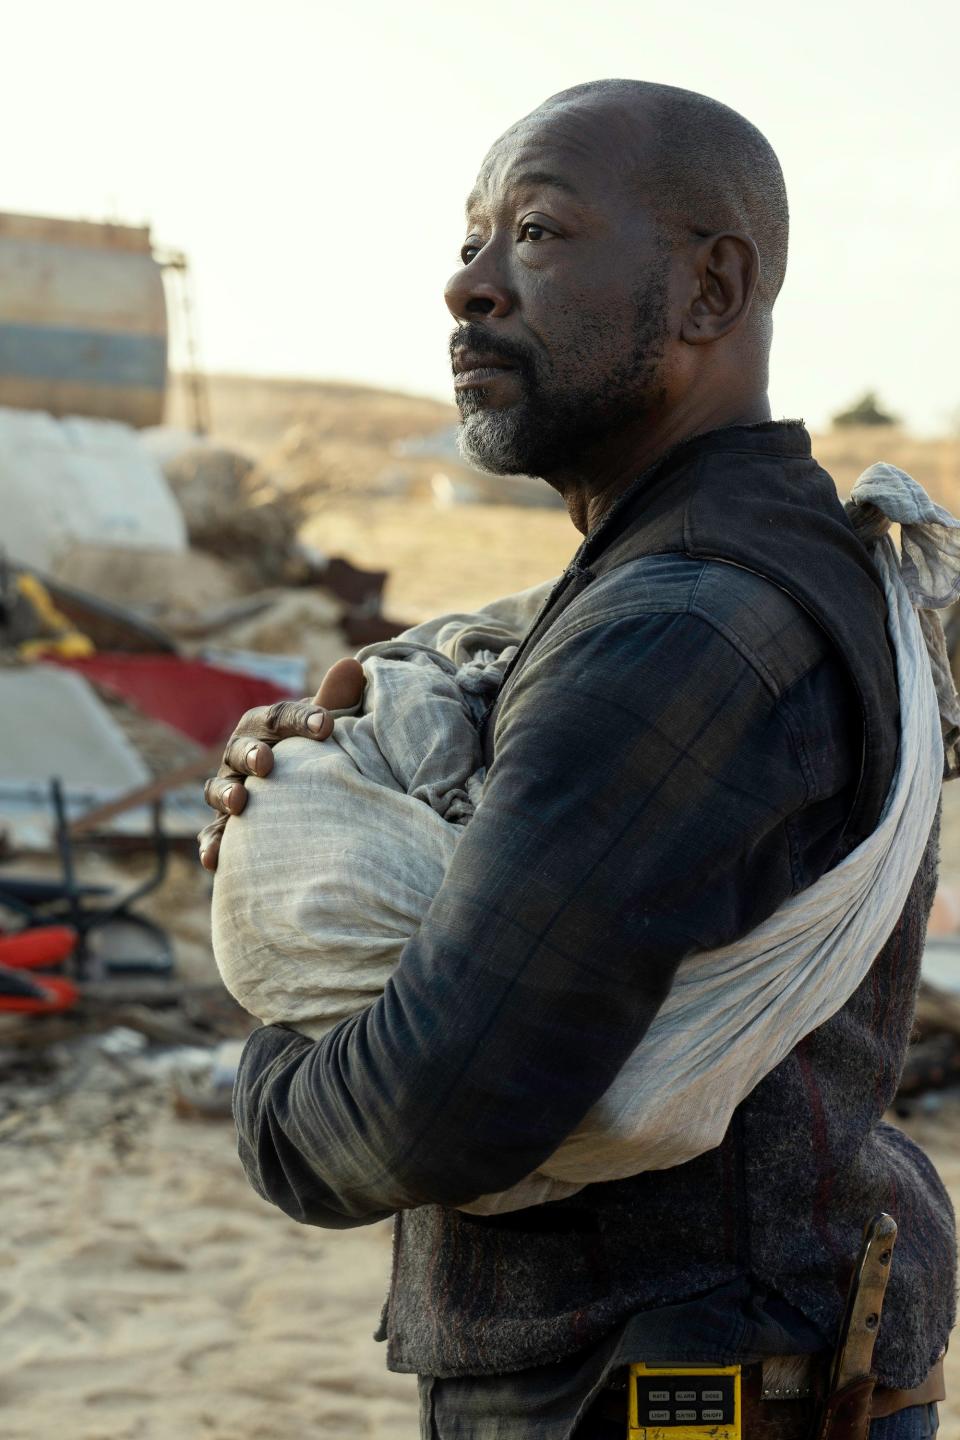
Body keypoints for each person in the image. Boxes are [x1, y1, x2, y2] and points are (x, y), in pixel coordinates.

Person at [199, 79, 954, 1439]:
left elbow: (437, 1104)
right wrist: (329, 800)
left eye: (536, 234)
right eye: (472, 237)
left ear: (711, 289)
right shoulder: (742, 570)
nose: (467, 286)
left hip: (666, 1392)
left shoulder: (683, 630)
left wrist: (273, 1055)